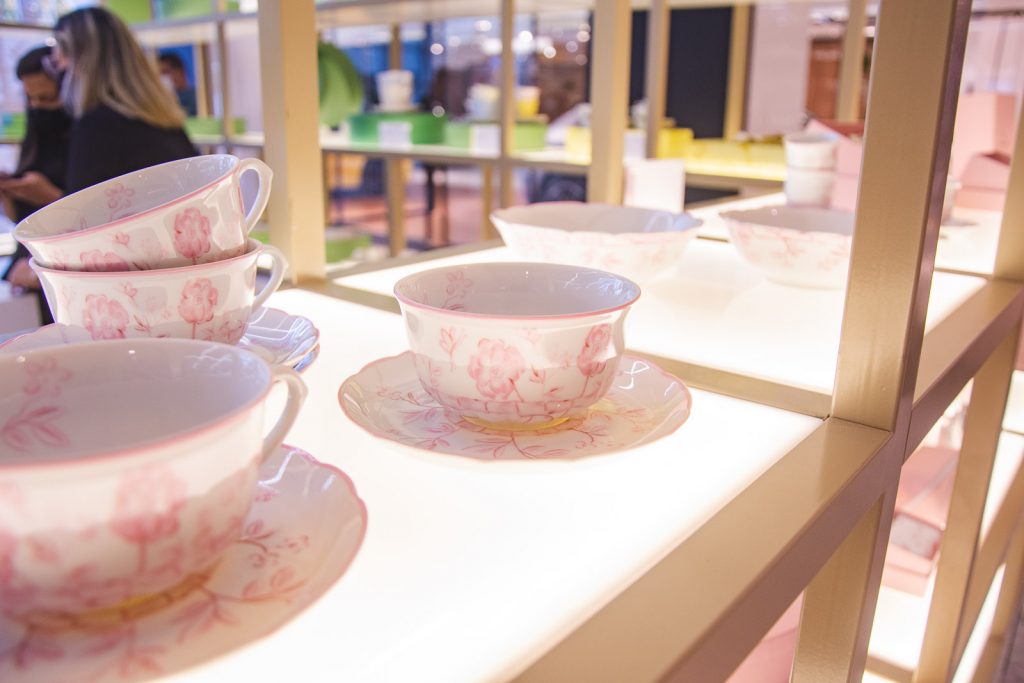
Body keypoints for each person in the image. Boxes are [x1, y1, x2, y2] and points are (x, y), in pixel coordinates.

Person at [10, 6, 197, 201]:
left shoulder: (97, 126)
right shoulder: (163, 118)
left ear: (81, 63)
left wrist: (47, 196)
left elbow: (85, 213)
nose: (59, 73)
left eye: (58, 62)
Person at [0, 46, 73, 325]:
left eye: (46, 98)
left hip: (62, 269)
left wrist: (51, 196)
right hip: (31, 267)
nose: (37, 106)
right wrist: (10, 193)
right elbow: (19, 219)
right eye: (30, 99)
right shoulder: (36, 136)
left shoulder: (86, 139)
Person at [158, 51, 197, 117]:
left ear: (180, 72)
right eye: (159, 74)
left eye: (165, 72)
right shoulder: (162, 100)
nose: (162, 78)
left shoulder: (195, 98)